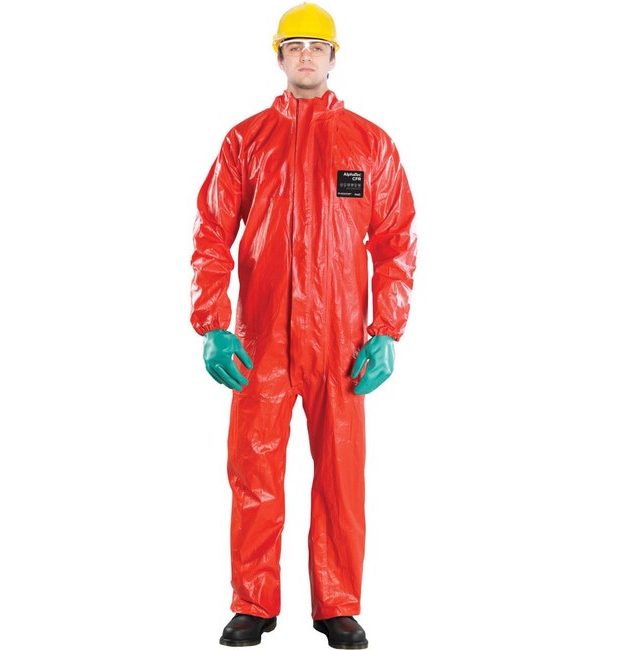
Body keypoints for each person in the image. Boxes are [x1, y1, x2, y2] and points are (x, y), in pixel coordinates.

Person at [190, 3, 417, 648]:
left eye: (317, 46)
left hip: (341, 345)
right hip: (260, 341)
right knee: (254, 475)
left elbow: (396, 241)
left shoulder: (370, 144)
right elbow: (212, 233)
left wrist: (386, 330)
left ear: (334, 57)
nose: (307, 55)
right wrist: (213, 323)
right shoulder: (246, 140)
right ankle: (253, 603)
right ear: (280, 57)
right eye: (295, 46)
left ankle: (337, 604)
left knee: (341, 479)